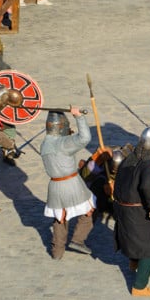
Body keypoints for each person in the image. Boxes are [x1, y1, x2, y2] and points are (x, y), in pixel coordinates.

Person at [113, 128, 150, 296]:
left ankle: (134, 263)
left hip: (122, 207)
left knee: (133, 239)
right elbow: (147, 186)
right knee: (149, 247)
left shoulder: (129, 158)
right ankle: (140, 286)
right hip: (137, 210)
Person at [41, 108, 96, 259]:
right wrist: (79, 117)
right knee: (89, 210)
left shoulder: (45, 143)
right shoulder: (63, 143)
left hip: (55, 186)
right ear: (61, 126)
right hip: (71, 183)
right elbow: (85, 138)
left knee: (60, 218)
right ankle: (78, 240)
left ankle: (57, 252)